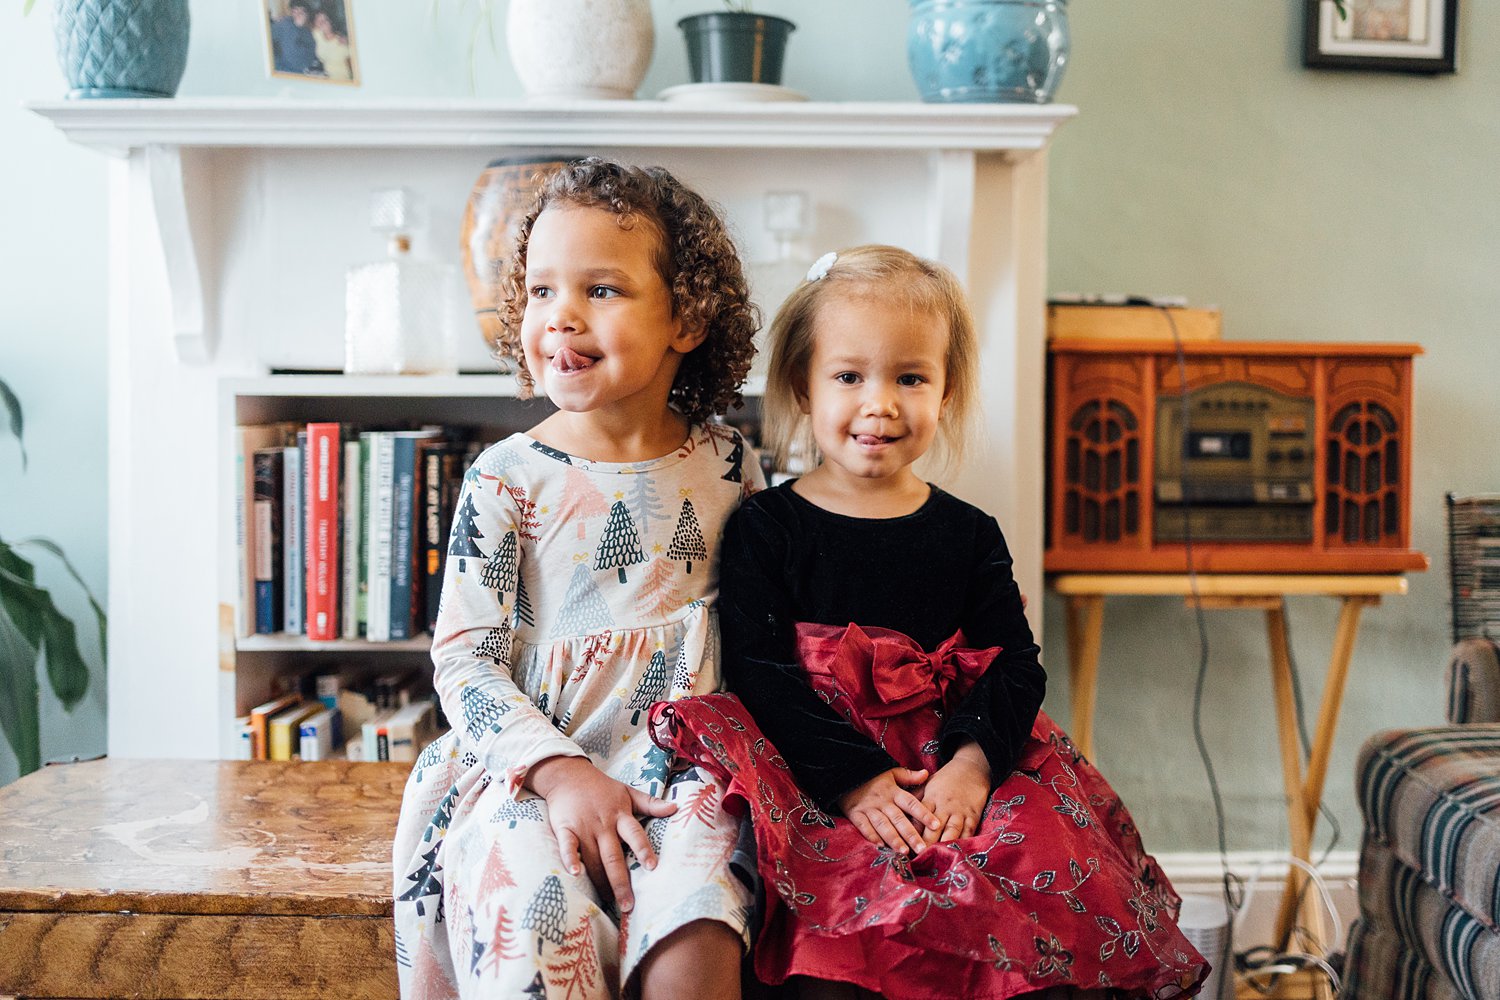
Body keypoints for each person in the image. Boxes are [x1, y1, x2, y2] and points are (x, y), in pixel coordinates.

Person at [651, 246, 1210, 999]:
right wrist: (855, 782)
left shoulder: (969, 533)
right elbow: (759, 671)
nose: (880, 404)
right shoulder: (767, 527)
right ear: (803, 385)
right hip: (821, 771)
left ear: (946, 393)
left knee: (1035, 871)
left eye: (910, 378)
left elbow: (1015, 661)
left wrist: (971, 767)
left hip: (956, 762)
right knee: (845, 929)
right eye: (849, 377)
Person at [392, 158, 763, 999]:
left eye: (601, 289)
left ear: (687, 317)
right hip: (534, 772)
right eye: (540, 290)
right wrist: (561, 773)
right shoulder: (506, 477)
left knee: (703, 928)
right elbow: (464, 661)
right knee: (536, 923)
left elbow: (764, 623)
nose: (560, 314)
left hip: (687, 774)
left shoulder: (729, 462)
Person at [269, 0, 319, 75]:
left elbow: (310, 57)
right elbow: (290, 57)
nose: (299, 14)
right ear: (291, 12)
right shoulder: (284, 25)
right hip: (281, 71)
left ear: (307, 15)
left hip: (300, 72)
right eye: (295, 10)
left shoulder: (308, 33)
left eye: (302, 11)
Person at [312, 8, 353, 82]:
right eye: (318, 20)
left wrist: (349, 41)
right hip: (326, 79)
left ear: (330, 21)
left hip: (343, 79)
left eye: (325, 20)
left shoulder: (341, 41)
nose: (321, 23)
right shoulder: (317, 34)